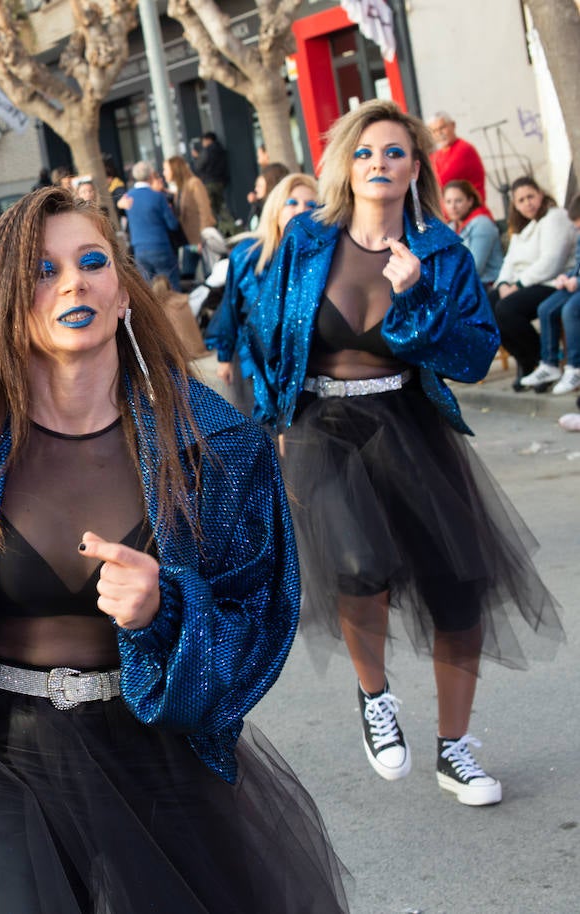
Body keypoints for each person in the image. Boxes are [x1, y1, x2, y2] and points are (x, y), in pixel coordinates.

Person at [0, 186, 348, 912]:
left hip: (158, 750)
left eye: (91, 262)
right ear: (3, 298)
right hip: (1, 756)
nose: (72, 282)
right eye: (42, 269)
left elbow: (261, 616)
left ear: (121, 292)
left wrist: (165, 607)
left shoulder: (214, 440)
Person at [256, 100, 562, 805]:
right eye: (365, 153)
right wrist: (270, 421)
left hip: (409, 417)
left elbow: (476, 352)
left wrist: (417, 296)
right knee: (359, 564)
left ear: (416, 168)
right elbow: (267, 334)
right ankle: (375, 697)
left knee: (460, 587)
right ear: (347, 168)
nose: (379, 164)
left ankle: (455, 749)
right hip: (321, 421)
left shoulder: (442, 253)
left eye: (394, 153)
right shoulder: (306, 241)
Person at [207, 173, 319, 417]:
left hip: (305, 371)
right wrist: (224, 357)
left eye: (311, 205)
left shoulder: (321, 259)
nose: (301, 210)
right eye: (292, 203)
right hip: (254, 365)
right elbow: (230, 307)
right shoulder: (247, 255)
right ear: (276, 208)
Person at [489, 177, 577, 389]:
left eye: (531, 196)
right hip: (526, 283)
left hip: (551, 282)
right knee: (488, 305)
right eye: (521, 200)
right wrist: (502, 284)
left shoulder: (555, 217)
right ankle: (526, 359)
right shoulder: (522, 226)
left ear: (541, 194)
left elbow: (551, 262)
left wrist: (517, 285)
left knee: (506, 309)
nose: (527, 203)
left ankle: (540, 361)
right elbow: (509, 261)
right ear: (515, 205)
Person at [119, 161, 181, 286]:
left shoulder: (127, 197)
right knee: (171, 286)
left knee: (149, 291)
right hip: (160, 246)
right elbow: (172, 224)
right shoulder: (157, 197)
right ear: (151, 175)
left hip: (139, 249)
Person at [442, 178, 503, 285]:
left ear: (470, 201)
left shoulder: (482, 224)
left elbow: (475, 267)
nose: (453, 207)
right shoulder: (451, 227)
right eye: (448, 202)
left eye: (458, 201)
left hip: (485, 285)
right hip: (460, 283)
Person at [428, 112, 487, 203]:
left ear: (453, 125)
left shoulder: (463, 149)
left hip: (469, 210)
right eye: (434, 131)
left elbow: (440, 182)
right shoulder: (436, 155)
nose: (439, 133)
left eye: (442, 128)